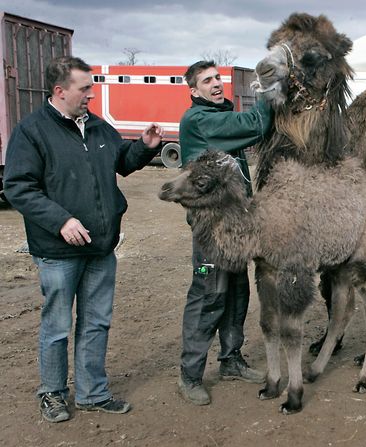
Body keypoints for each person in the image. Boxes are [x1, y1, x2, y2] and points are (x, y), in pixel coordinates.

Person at [3, 56, 163, 423]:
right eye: (85, 88)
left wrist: (145, 146)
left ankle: (93, 393)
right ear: (60, 91)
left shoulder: (97, 127)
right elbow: (18, 188)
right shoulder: (32, 132)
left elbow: (122, 161)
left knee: (96, 322)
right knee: (57, 326)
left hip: (101, 247)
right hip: (58, 252)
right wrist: (61, 221)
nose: (92, 94)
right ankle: (53, 394)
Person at [176, 60, 273, 405]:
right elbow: (255, 123)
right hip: (211, 234)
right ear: (194, 91)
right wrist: (268, 92)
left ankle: (231, 359)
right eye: (207, 81)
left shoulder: (218, 115)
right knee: (208, 294)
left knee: (235, 292)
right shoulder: (200, 120)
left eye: (218, 78)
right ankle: (190, 375)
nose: (216, 84)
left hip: (234, 229)